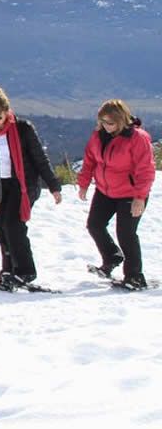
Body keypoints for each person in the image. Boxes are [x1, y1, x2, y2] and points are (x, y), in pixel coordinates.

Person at [0, 87, 63, 288]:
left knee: (13, 226)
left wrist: (53, 185)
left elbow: (39, 158)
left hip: (23, 185)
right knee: (0, 227)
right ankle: (8, 270)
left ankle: (26, 271)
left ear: (7, 111)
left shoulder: (23, 129)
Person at [77, 99, 154, 290]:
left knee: (126, 233)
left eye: (110, 122)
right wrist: (84, 183)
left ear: (121, 120)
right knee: (95, 225)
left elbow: (145, 170)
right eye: (103, 121)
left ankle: (134, 276)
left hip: (130, 193)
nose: (106, 126)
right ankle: (112, 257)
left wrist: (139, 198)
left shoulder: (138, 138)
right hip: (105, 190)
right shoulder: (99, 136)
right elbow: (90, 160)